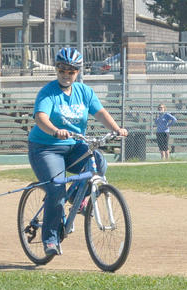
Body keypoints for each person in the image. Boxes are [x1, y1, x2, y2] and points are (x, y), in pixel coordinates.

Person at [27, 47, 128, 257]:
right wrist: (55, 132)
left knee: (98, 162)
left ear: (78, 72)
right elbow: (40, 117)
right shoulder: (48, 92)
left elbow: (100, 112)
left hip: (74, 145)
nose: (66, 74)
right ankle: (51, 239)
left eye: (71, 71)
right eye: (62, 69)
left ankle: (75, 197)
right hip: (46, 148)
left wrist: (116, 129)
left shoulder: (84, 92)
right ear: (57, 69)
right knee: (56, 188)